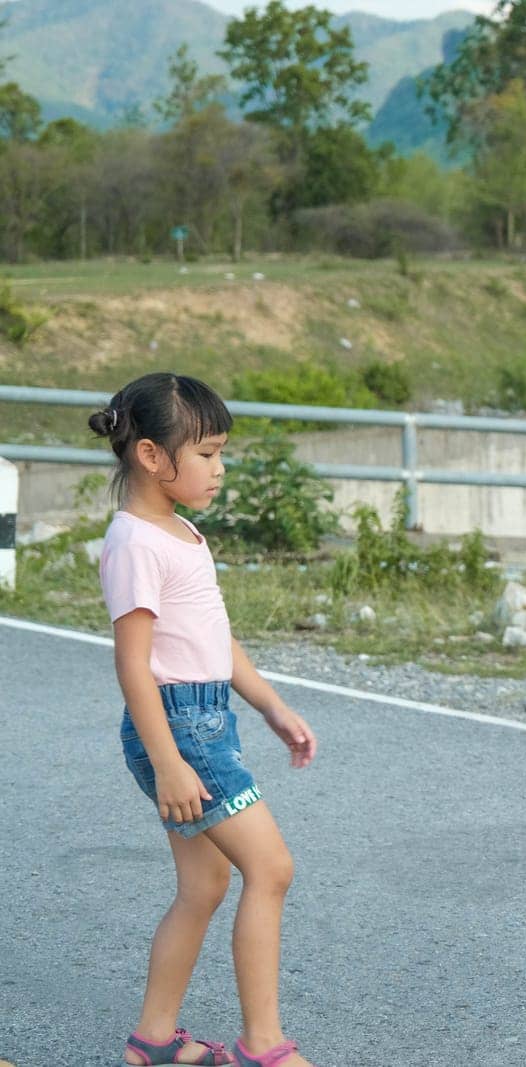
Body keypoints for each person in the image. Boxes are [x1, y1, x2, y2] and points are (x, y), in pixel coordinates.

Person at [92, 373, 319, 1067]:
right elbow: (134, 665)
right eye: (209, 453)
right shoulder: (135, 541)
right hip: (179, 728)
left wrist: (270, 704)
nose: (220, 468)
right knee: (271, 867)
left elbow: (212, 638)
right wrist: (168, 760)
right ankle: (263, 1045)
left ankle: (153, 1040)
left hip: (205, 718)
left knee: (205, 883)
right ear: (153, 456)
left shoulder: (180, 530)